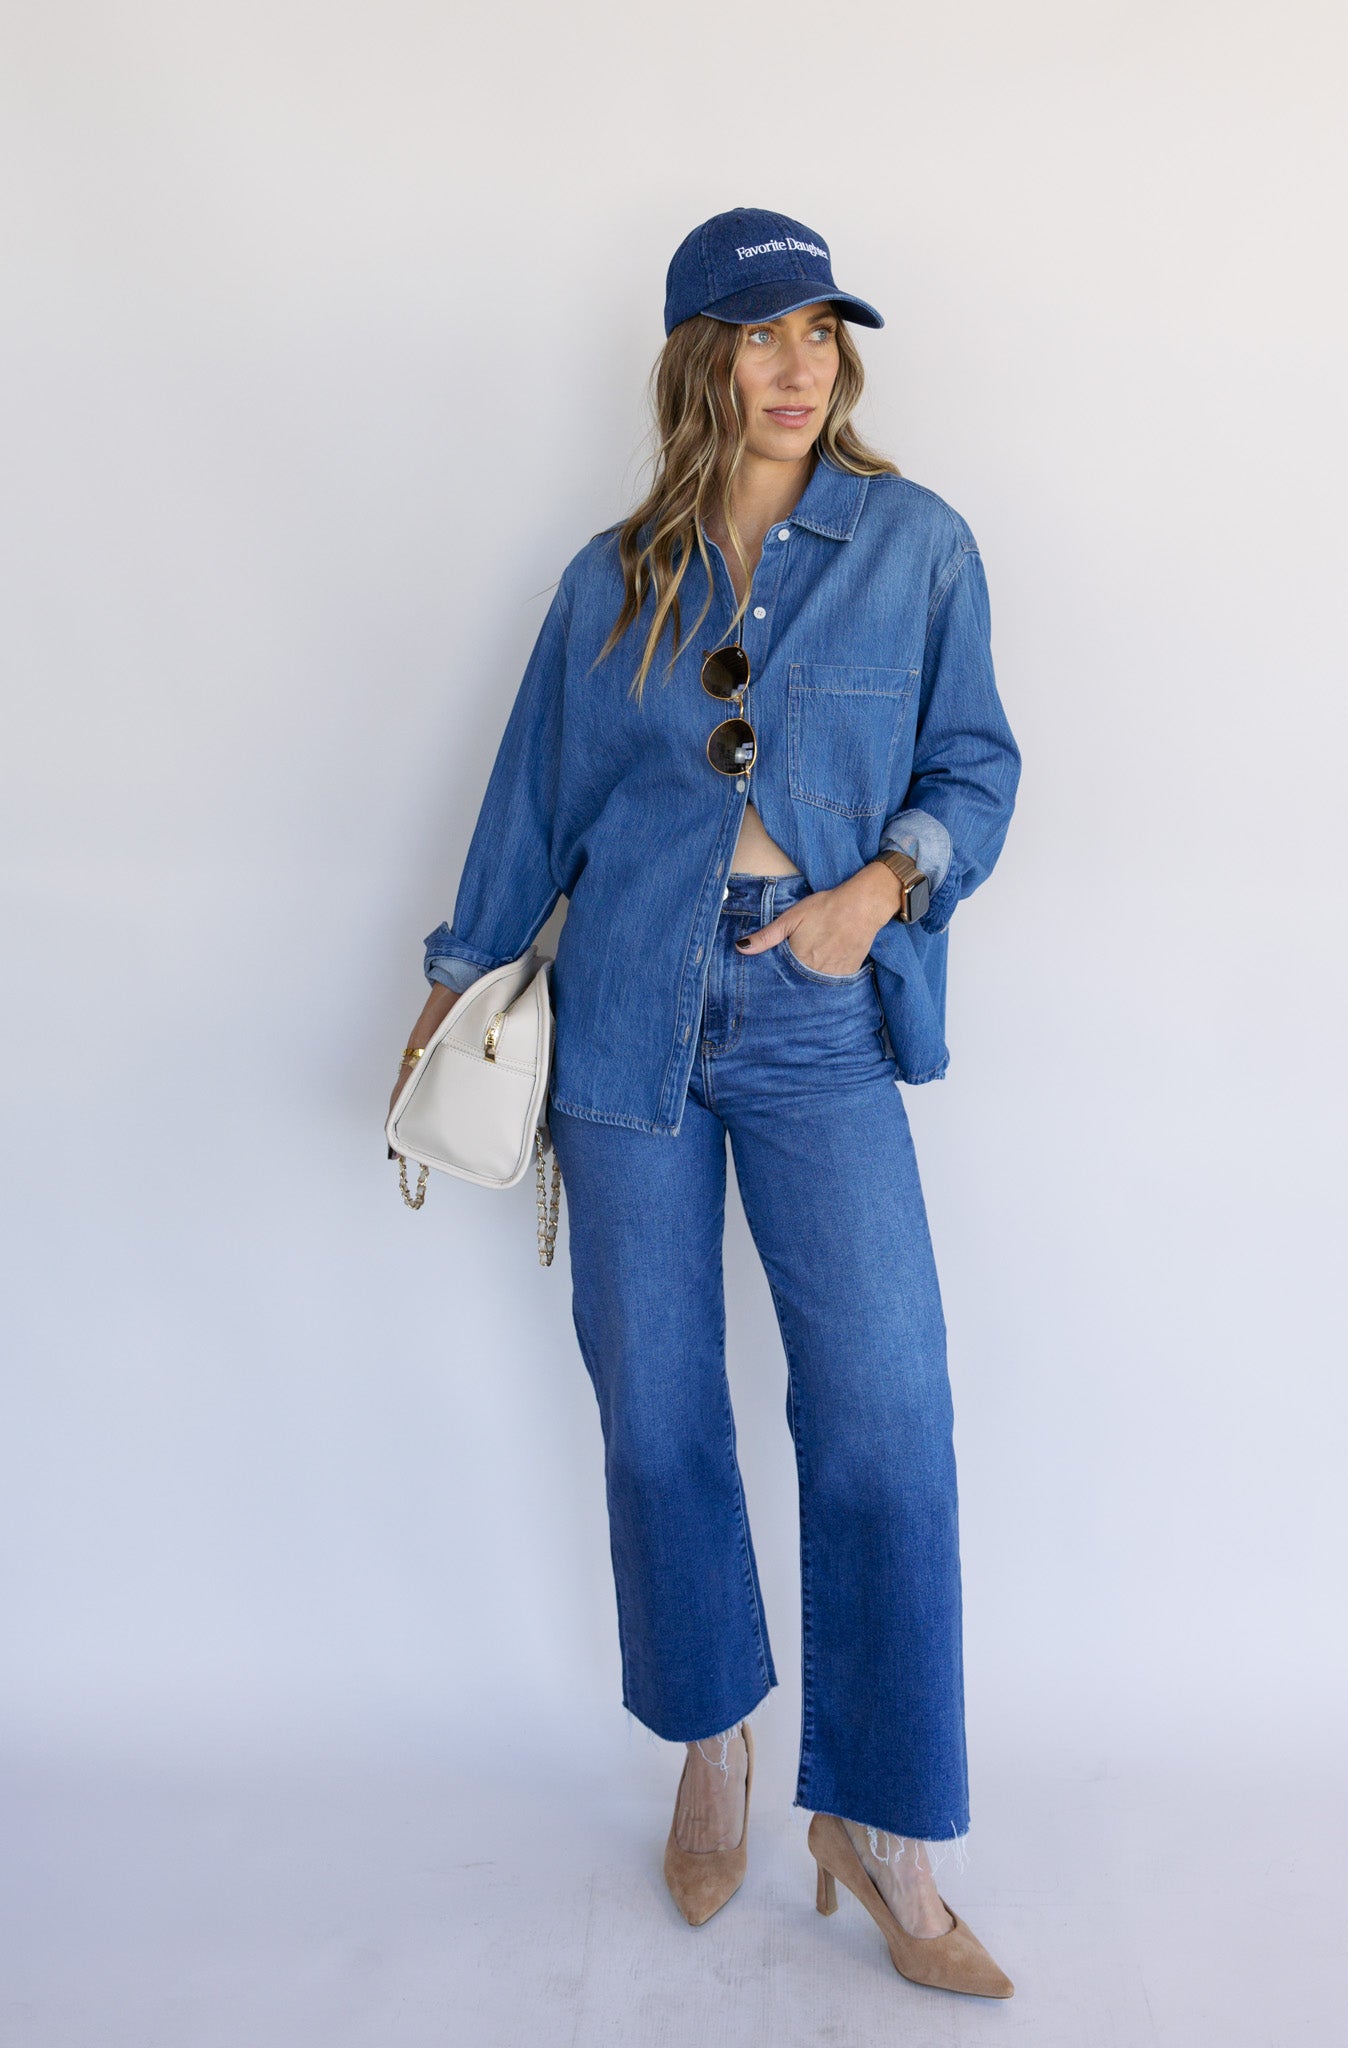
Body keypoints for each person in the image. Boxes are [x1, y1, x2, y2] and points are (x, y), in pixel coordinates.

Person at [390, 207, 1022, 1998]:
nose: (799, 365)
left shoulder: (916, 545)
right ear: (698, 361)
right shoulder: (616, 578)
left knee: (887, 1414)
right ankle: (713, 1741)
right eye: (760, 334)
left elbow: (976, 766)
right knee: (658, 1415)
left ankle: (880, 1823)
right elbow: (536, 801)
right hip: (628, 1024)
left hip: (820, 1015)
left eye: (821, 330)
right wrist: (453, 978)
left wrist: (879, 891)